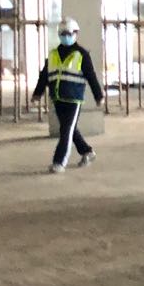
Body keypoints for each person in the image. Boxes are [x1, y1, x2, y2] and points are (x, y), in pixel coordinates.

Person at [32, 16, 105, 174]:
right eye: (63, 33)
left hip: (73, 99)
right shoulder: (53, 54)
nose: (66, 36)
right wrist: (37, 93)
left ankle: (59, 162)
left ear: (76, 34)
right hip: (58, 98)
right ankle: (87, 151)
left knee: (66, 131)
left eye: (69, 33)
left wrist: (98, 96)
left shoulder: (82, 54)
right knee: (69, 129)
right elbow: (44, 75)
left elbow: (91, 76)